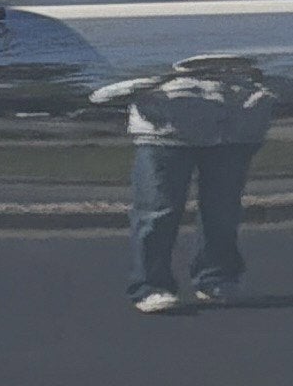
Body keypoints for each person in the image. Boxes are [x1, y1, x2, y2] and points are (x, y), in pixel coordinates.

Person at [87, 54, 278, 311]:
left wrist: (261, 92)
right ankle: (150, 286)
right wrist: (157, 81)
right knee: (157, 211)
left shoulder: (245, 27)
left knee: (223, 210)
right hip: (164, 131)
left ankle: (217, 279)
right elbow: (103, 90)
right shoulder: (157, 30)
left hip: (235, 129)